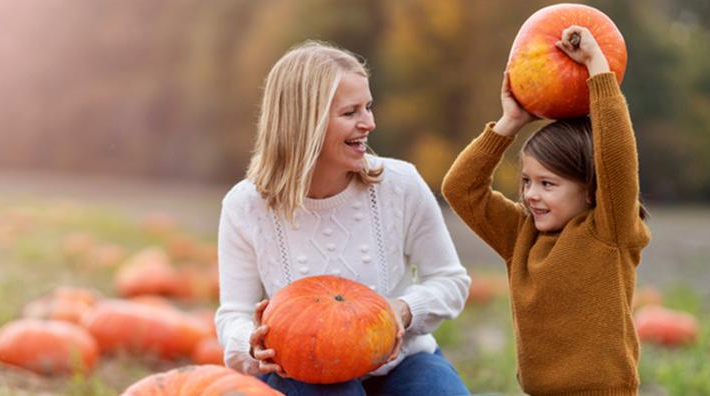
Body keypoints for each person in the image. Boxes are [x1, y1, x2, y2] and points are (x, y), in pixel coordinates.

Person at [215, 40, 472, 395]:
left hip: (402, 361)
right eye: (351, 113)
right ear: (305, 123)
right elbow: (234, 315)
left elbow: (451, 281)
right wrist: (251, 343)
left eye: (368, 107)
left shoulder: (400, 185)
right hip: (303, 370)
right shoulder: (245, 207)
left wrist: (403, 310)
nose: (369, 123)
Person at [442, 26, 650, 396]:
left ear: (590, 189)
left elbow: (616, 158)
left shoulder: (609, 230)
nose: (531, 195)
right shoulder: (520, 236)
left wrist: (597, 69)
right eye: (526, 181)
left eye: (548, 184)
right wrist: (510, 123)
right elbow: (460, 189)